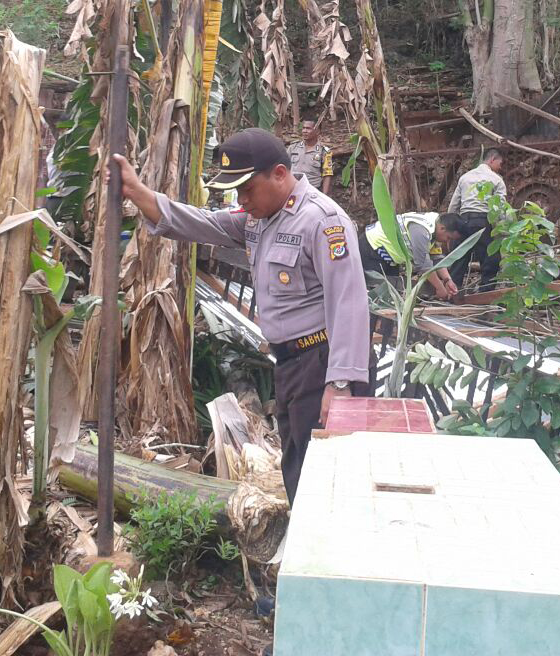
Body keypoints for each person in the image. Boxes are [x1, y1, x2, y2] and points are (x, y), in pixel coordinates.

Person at [110, 128, 371, 501]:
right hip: (292, 365)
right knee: (298, 466)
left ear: (280, 174)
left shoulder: (322, 221)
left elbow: (349, 302)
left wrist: (341, 384)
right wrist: (138, 192)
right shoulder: (258, 219)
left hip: (323, 363)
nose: (241, 199)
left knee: (327, 476)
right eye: (237, 191)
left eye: (247, 188)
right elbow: (201, 222)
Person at [360, 212, 468, 300]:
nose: (446, 241)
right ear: (442, 229)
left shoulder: (435, 224)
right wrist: (440, 288)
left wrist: (447, 280)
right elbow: (424, 266)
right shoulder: (421, 231)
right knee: (374, 291)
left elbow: (436, 257)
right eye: (448, 238)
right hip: (372, 247)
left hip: (390, 256)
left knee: (391, 293)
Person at [447, 148, 508, 291]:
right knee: (490, 259)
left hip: (463, 220)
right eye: (500, 163)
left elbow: (453, 206)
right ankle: (485, 292)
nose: (500, 167)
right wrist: (501, 230)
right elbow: (500, 208)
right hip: (483, 220)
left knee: (459, 258)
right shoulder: (496, 179)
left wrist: (452, 227)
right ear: (492, 159)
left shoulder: (465, 177)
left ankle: (454, 293)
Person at [287, 119, 333, 194]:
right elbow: (285, 167)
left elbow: (327, 174)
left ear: (317, 131)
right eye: (303, 128)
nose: (304, 131)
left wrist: (324, 196)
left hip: (312, 191)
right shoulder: (293, 147)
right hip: (293, 189)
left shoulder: (324, 151)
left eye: (308, 128)